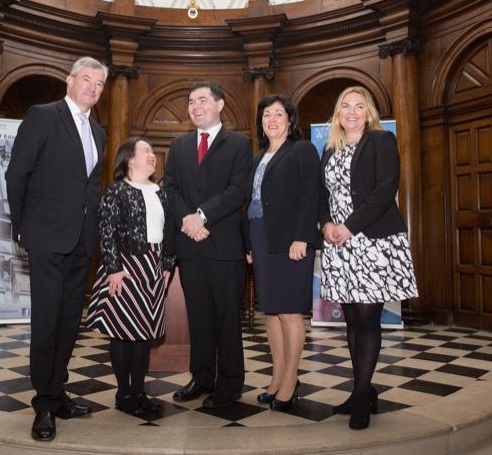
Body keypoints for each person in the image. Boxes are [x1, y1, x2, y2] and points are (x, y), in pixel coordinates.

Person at [5, 56, 108, 441]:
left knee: (68, 321)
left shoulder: (98, 132)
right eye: (87, 79)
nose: (93, 88)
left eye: (99, 84)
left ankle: (58, 390)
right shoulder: (43, 116)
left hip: (81, 240)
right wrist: (22, 225)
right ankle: (44, 404)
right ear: (69, 81)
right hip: (46, 236)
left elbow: (89, 188)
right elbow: (17, 173)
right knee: (46, 321)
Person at [319, 85, 418, 430]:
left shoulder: (381, 141)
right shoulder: (330, 149)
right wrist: (327, 224)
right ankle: (363, 388)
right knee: (350, 320)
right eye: (345, 106)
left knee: (367, 319)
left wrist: (349, 226)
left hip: (371, 242)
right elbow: (322, 194)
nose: (351, 112)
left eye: (358, 106)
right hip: (339, 244)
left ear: (369, 112)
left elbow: (384, 189)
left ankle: (361, 397)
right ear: (337, 113)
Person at [164, 81, 252, 409]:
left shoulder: (239, 144)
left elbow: (237, 190)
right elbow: (170, 187)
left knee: (227, 319)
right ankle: (201, 377)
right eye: (190, 101)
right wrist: (188, 219)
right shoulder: (179, 144)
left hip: (224, 246)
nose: (195, 106)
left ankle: (229, 383)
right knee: (198, 317)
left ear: (220, 104)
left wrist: (202, 216)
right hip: (190, 246)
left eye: (202, 100)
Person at [85, 137, 175, 419]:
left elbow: (169, 232)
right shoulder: (116, 191)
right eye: (146, 151)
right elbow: (107, 231)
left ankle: (138, 391)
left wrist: (168, 265)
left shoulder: (161, 193)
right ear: (129, 159)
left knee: (143, 334)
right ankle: (124, 392)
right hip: (124, 267)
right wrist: (113, 268)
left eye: (152, 152)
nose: (152, 156)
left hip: (153, 268)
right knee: (124, 332)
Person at [245, 94, 320, 411]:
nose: (271, 119)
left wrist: (302, 236)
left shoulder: (302, 150)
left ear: (290, 120)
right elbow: (248, 204)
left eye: (278, 114)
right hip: (261, 237)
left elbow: (311, 194)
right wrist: (248, 244)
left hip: (291, 240)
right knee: (271, 313)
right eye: (266, 115)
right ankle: (276, 379)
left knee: (289, 312)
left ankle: (290, 383)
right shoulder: (256, 158)